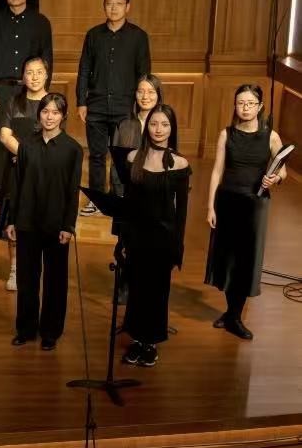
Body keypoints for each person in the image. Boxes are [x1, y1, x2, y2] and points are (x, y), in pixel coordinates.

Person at [204, 84, 288, 340]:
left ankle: (234, 316)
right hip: (228, 201)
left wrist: (275, 179)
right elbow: (217, 171)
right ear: (235, 105)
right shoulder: (226, 134)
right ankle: (231, 314)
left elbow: (282, 171)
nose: (245, 108)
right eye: (241, 103)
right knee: (228, 259)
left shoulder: (271, 136)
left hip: (255, 204)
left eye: (251, 103)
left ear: (260, 106)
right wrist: (210, 206)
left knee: (246, 260)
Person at [5, 94, 82, 350]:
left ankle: (50, 331)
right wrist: (12, 220)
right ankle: (25, 329)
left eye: (55, 112)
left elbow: (72, 190)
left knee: (55, 282)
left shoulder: (72, 149)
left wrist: (68, 225)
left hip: (56, 224)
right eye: (45, 111)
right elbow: (17, 184)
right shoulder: (27, 145)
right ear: (39, 114)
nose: (49, 117)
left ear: (63, 116)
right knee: (27, 280)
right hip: (27, 221)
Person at [120, 104, 189, 367]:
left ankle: (151, 343)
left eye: (164, 124)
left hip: (163, 239)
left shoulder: (180, 163)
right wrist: (124, 239)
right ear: (146, 126)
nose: (158, 130)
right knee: (137, 289)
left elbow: (181, 212)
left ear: (172, 129)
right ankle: (137, 339)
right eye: (153, 123)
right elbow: (128, 204)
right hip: (137, 236)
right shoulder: (133, 158)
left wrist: (177, 247)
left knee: (157, 292)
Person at [76, 0, 151, 212]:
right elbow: (84, 70)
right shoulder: (93, 35)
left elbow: (144, 74)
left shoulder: (138, 37)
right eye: (109, 3)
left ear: (127, 7)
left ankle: (118, 198)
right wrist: (81, 102)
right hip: (96, 105)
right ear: (104, 6)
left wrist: (141, 106)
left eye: (119, 4)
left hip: (125, 107)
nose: (114, 8)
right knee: (97, 155)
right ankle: (97, 199)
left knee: (122, 155)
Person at [0, 55, 50, 291]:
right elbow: (4, 136)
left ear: (46, 75)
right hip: (16, 170)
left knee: (39, 221)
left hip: (44, 171)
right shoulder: (13, 102)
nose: (34, 77)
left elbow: (56, 138)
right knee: (14, 220)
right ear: (23, 76)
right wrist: (26, 155)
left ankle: (35, 268)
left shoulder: (53, 102)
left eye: (39, 72)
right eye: (29, 72)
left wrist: (34, 159)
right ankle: (15, 269)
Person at [110, 74, 166, 195]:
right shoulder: (124, 124)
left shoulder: (166, 124)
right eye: (140, 92)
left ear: (158, 95)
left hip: (156, 191)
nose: (145, 97)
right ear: (135, 94)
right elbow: (116, 165)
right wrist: (120, 194)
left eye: (151, 92)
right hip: (127, 191)